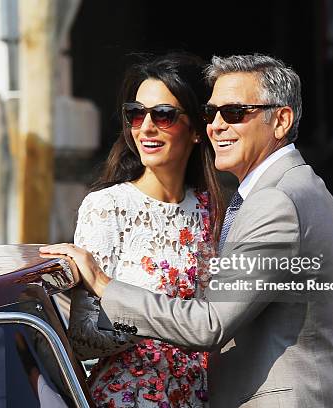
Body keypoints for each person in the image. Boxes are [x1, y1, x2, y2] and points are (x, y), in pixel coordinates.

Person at [42, 54, 333, 408]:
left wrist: (106, 286)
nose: (218, 125)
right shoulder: (302, 189)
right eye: (212, 113)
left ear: (281, 120)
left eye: (235, 113)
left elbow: (210, 325)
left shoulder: (270, 202)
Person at [62, 53, 224, 408]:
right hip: (131, 398)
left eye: (163, 115)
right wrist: (164, 320)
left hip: (203, 395)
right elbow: (83, 338)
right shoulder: (107, 206)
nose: (146, 127)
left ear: (197, 129)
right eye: (136, 113)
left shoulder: (214, 208)